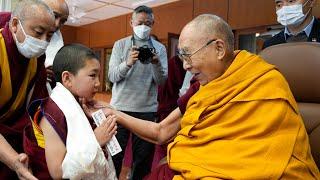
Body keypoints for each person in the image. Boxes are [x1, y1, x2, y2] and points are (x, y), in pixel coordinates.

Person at [94, 14, 320, 179]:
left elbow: (267, 153)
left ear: (219, 49)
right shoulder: (201, 87)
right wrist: (115, 113)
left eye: (187, 55)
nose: (185, 65)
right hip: (201, 167)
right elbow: (162, 131)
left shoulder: (264, 81)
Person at [24, 44, 118, 179]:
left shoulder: (82, 104)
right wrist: (95, 141)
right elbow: (57, 171)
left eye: (99, 76)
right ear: (67, 78)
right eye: (92, 75)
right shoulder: (53, 111)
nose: (98, 83)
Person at [108, 5, 168, 179]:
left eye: (148, 23)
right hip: (119, 109)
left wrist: (156, 64)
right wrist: (127, 63)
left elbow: (162, 81)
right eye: (140, 22)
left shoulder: (159, 48)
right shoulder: (120, 45)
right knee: (115, 156)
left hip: (146, 111)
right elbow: (112, 76)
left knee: (143, 161)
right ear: (131, 22)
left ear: (153, 24)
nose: (144, 26)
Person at [0, 0, 56, 179]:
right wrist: (14, 161)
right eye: (38, 33)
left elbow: (37, 107)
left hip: (12, 134)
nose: (43, 42)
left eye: (49, 36)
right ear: (15, 25)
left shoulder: (35, 59)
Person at [43, 0, 69, 93]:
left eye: (63, 21)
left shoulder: (57, 36)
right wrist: (39, 72)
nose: (57, 24)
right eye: (54, 16)